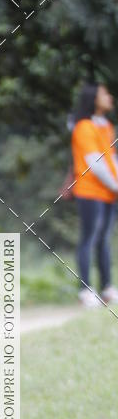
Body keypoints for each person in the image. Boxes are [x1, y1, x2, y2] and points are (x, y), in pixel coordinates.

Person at [71, 83, 118, 308]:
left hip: (109, 193)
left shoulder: (107, 126)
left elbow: (112, 160)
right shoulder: (84, 127)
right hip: (89, 191)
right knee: (88, 240)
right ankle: (85, 291)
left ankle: (107, 288)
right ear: (93, 99)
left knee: (104, 241)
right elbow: (95, 164)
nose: (109, 97)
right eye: (104, 94)